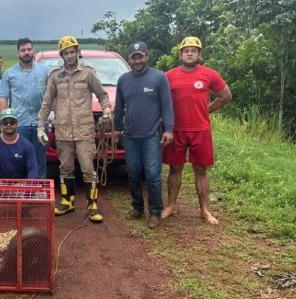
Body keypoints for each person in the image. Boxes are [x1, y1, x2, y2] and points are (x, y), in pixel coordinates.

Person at [37, 35, 111, 223]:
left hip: (84, 130)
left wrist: (107, 110)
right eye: (66, 53)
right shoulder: (55, 76)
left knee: (88, 168)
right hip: (63, 131)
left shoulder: (88, 73)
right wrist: (40, 127)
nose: (70, 56)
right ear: (61, 55)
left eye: (72, 52)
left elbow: (102, 95)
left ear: (78, 52)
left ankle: (92, 204)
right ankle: (67, 201)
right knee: (65, 168)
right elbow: (46, 103)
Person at [162, 36, 232, 224]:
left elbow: (226, 95)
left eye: (194, 50)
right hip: (176, 130)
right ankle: (171, 206)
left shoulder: (210, 74)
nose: (190, 53)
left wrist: (207, 109)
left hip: (200, 130)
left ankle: (205, 210)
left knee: (201, 170)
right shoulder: (169, 75)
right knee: (175, 169)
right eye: (186, 50)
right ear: (180, 54)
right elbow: (160, 100)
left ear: (199, 54)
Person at [114, 42, 174, 228]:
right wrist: (117, 129)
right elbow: (119, 107)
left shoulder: (159, 77)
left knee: (153, 174)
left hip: (151, 135)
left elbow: (167, 105)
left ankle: (155, 211)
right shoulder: (123, 80)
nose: (137, 60)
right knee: (133, 173)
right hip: (130, 135)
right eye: (134, 57)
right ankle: (137, 207)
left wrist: (169, 129)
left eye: (140, 56)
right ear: (130, 59)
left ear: (147, 56)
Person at [0, 38, 50, 178]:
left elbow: (52, 96)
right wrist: (3, 123)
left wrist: (53, 116)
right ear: (18, 53)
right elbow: (3, 98)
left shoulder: (44, 71)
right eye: (23, 50)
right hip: (19, 124)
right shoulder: (9, 74)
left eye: (29, 49)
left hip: (41, 124)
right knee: (18, 160)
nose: (26, 52)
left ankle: (41, 193)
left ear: (33, 50)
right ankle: (21, 194)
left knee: (40, 160)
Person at [0, 108, 38, 179]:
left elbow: (33, 170)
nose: (8, 125)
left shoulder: (27, 145)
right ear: (1, 125)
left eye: (12, 122)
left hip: (19, 184)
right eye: (5, 123)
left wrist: (30, 187)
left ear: (17, 124)